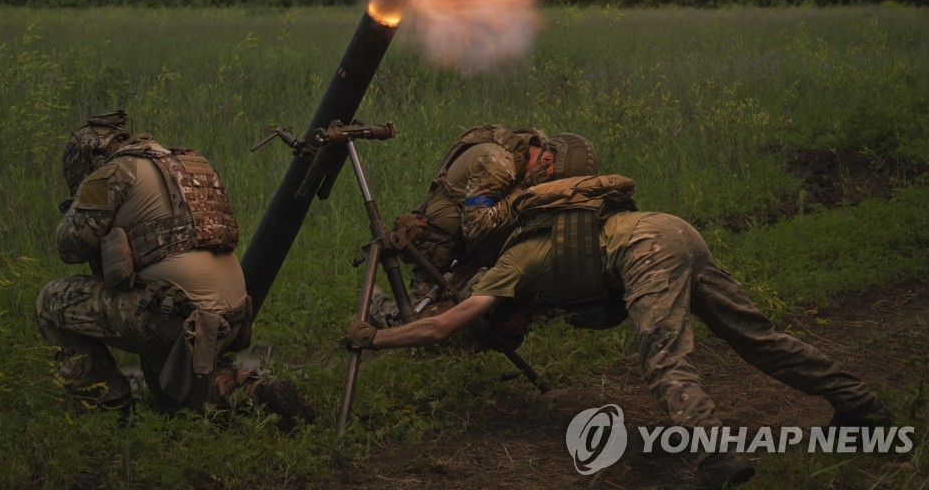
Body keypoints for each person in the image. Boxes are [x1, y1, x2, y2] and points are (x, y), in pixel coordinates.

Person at [346, 135, 892, 488]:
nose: (519, 329)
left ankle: (716, 458)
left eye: (510, 325)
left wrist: (372, 338)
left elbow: (443, 326)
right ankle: (859, 402)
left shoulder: (511, 267)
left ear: (505, 308)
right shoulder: (553, 233)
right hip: (673, 230)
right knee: (755, 337)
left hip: (646, 252)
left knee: (663, 358)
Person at [36, 111, 313, 427]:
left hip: (175, 315)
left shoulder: (112, 172)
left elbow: (69, 245)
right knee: (175, 402)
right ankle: (258, 392)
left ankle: (106, 411)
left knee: (51, 301)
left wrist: (77, 202)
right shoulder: (188, 164)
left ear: (88, 159)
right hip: (230, 315)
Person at [371, 125, 596, 326]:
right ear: (546, 161)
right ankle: (375, 301)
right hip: (445, 248)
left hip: (478, 246)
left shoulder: (538, 150)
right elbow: (475, 227)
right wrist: (525, 191)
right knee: (417, 326)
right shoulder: (499, 163)